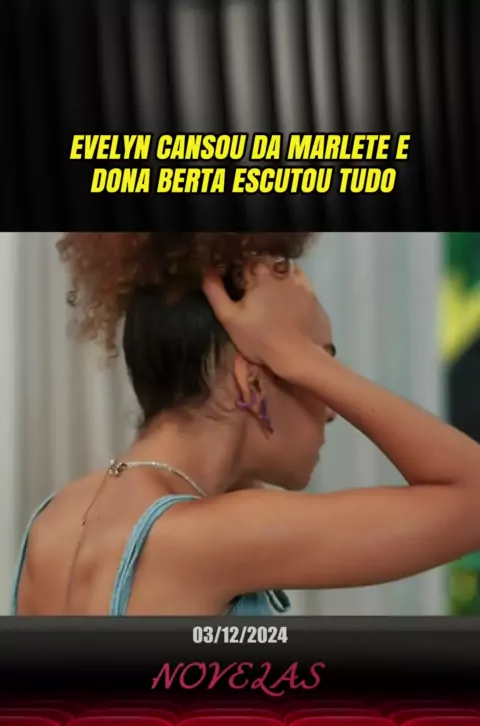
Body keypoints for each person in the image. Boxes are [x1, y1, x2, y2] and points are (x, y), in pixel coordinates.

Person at [12, 232, 480, 616]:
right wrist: (293, 353)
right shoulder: (211, 537)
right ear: (252, 382)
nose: (332, 409)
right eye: (321, 362)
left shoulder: (54, 522)